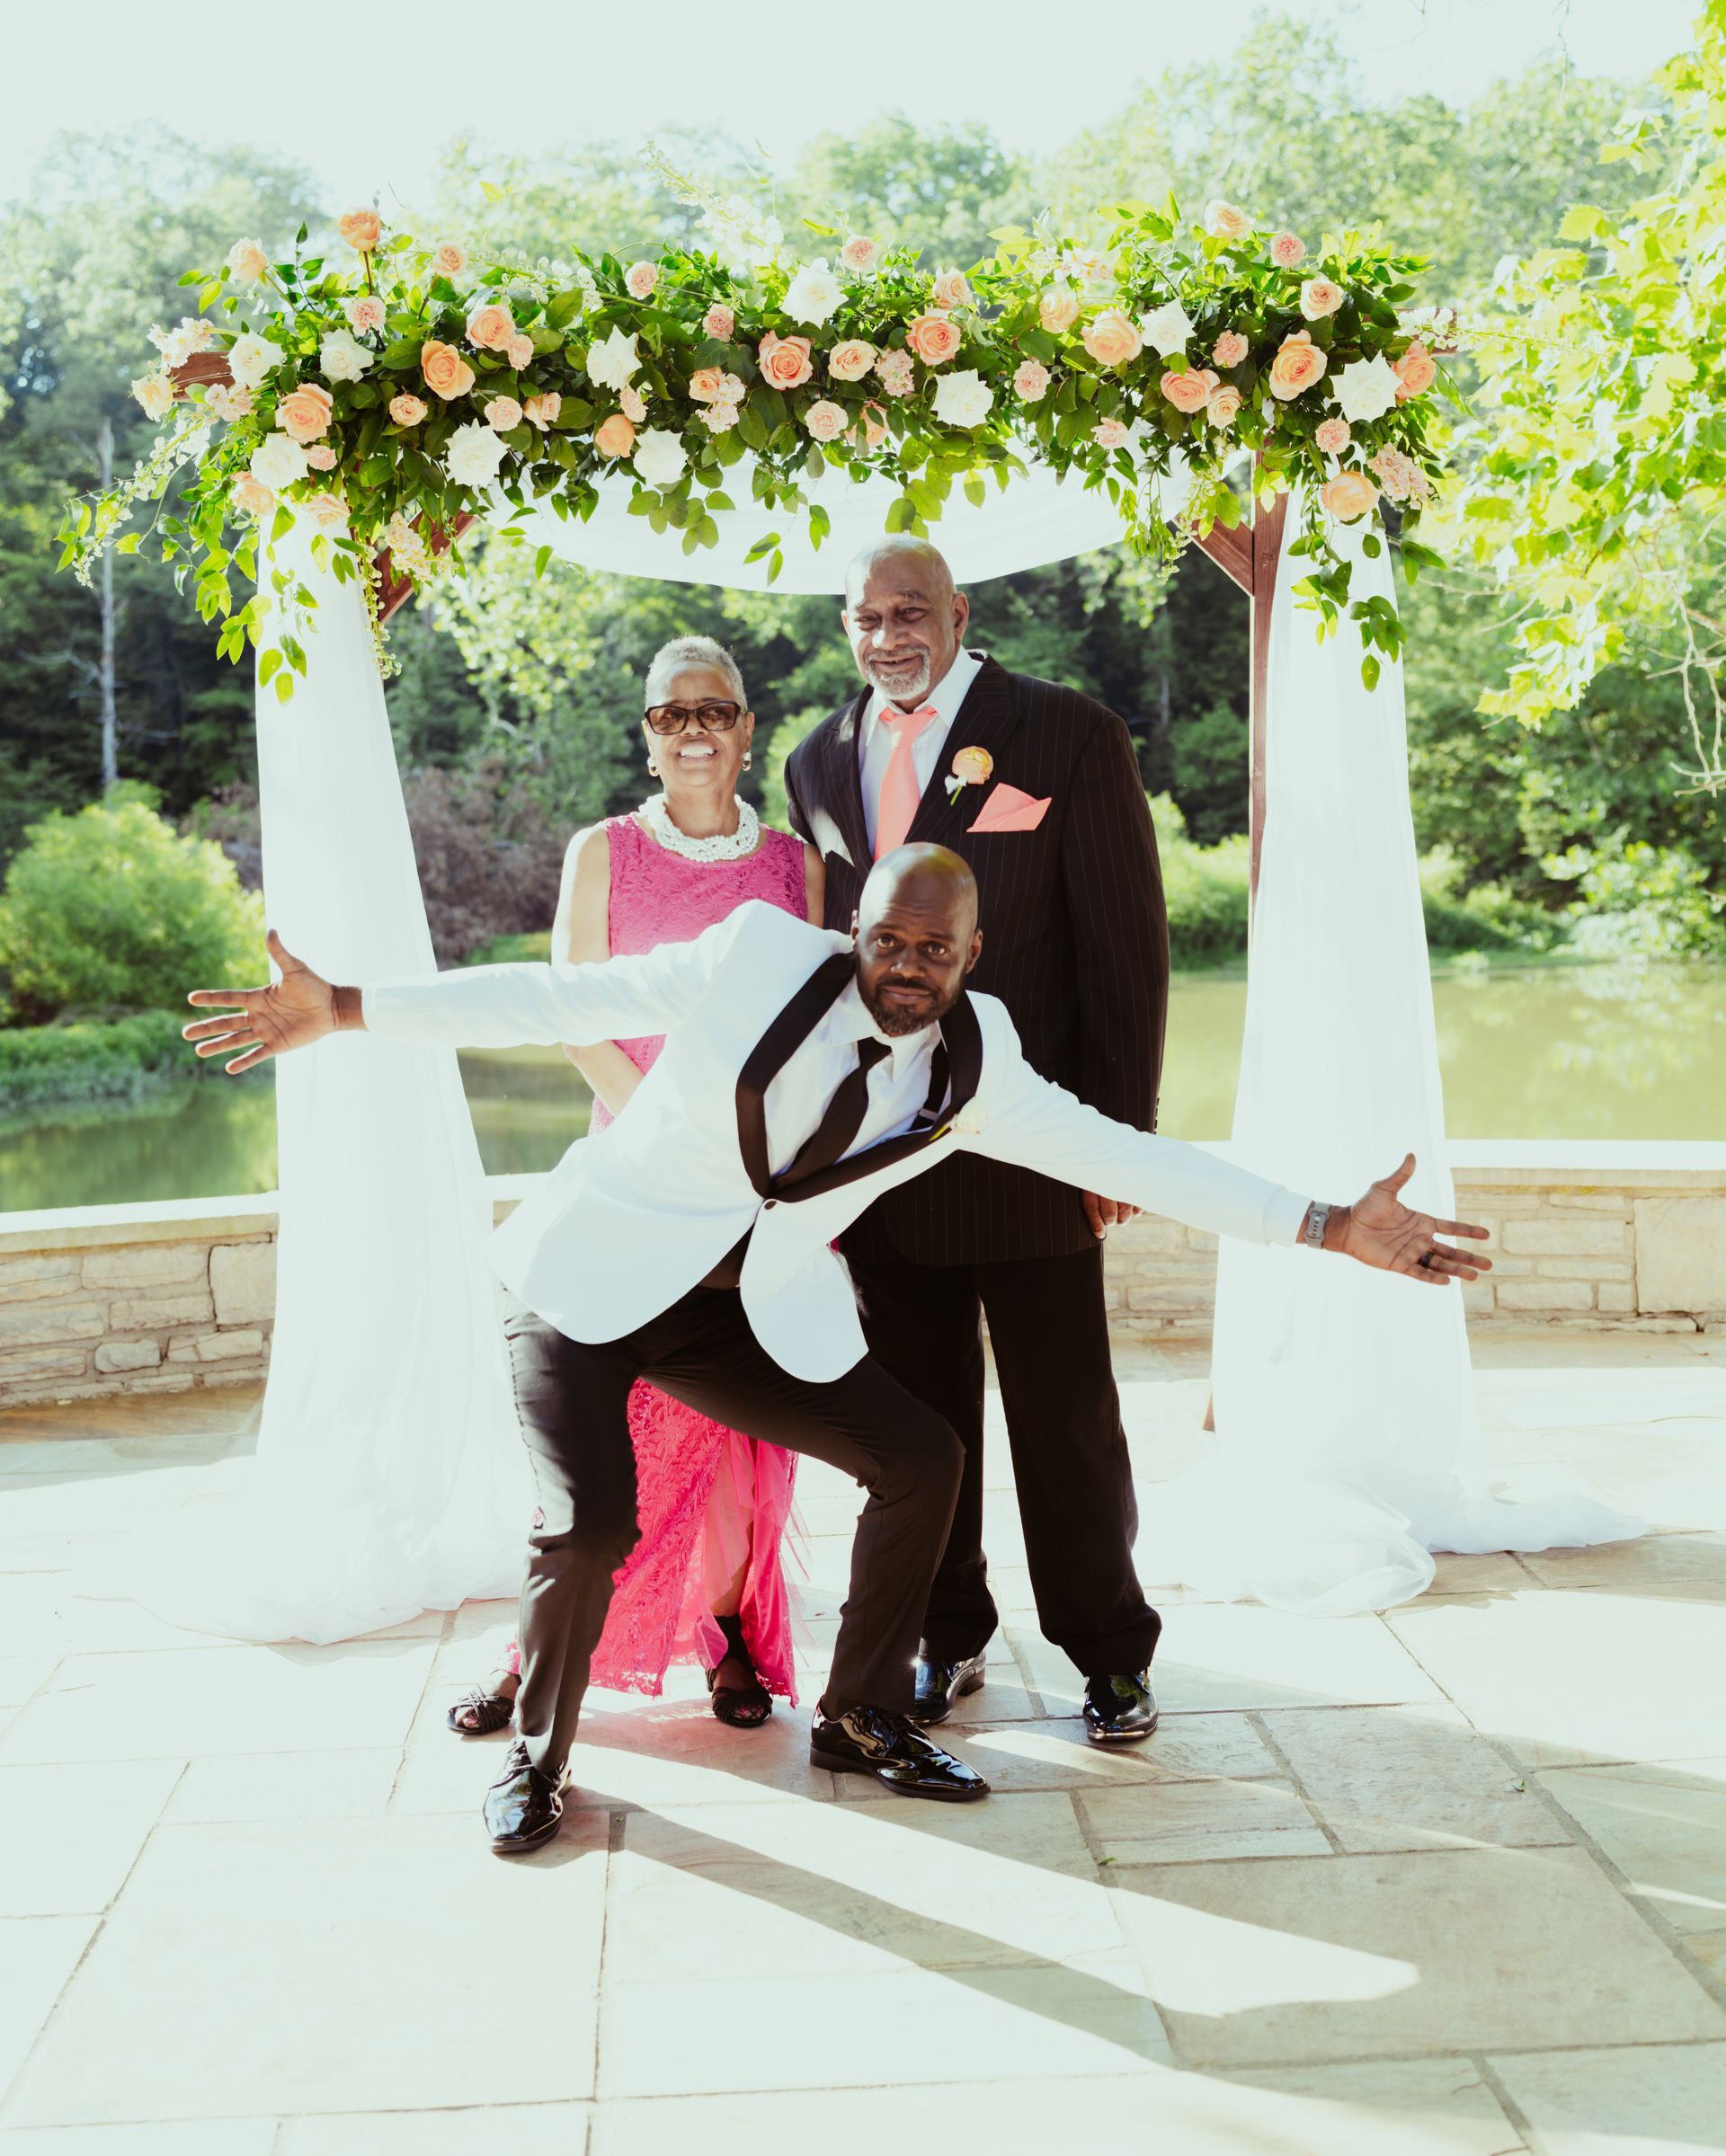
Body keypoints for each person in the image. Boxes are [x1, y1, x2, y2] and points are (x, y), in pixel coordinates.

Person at [183, 845, 1491, 1856]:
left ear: (976, 952)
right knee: (590, 1527)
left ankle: (863, 1717)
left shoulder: (979, 1068)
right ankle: (535, 1760)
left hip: (733, 1310)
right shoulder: (753, 956)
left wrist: (1324, 1224)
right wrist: (348, 1007)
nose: (906, 965)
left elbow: (1128, 1155)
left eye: (936, 947)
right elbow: (554, 994)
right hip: (586, 1282)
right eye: (887, 938)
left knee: (921, 1456)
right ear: (854, 927)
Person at [785, 537, 1171, 1743]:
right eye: (867, 616)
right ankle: (946, 1637)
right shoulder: (814, 761)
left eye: (911, 611)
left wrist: (1118, 1144)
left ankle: (1110, 1652)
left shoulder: (1066, 733)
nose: (889, 634)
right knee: (920, 1425)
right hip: (887, 1161)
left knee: (1065, 1415)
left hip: (1034, 1146)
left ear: (956, 614)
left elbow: (1126, 949)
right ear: (846, 626)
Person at [448, 636, 823, 1743]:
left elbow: (809, 1025)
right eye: (672, 715)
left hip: (756, 1185)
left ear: (749, 730)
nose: (695, 729)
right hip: (636, 1175)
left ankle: (729, 1635)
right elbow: (576, 1014)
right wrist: (669, 1133)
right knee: (619, 1430)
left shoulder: (795, 864)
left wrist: (754, 1152)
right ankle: (540, 1648)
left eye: (717, 710)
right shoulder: (601, 851)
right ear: (648, 734)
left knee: (740, 1436)